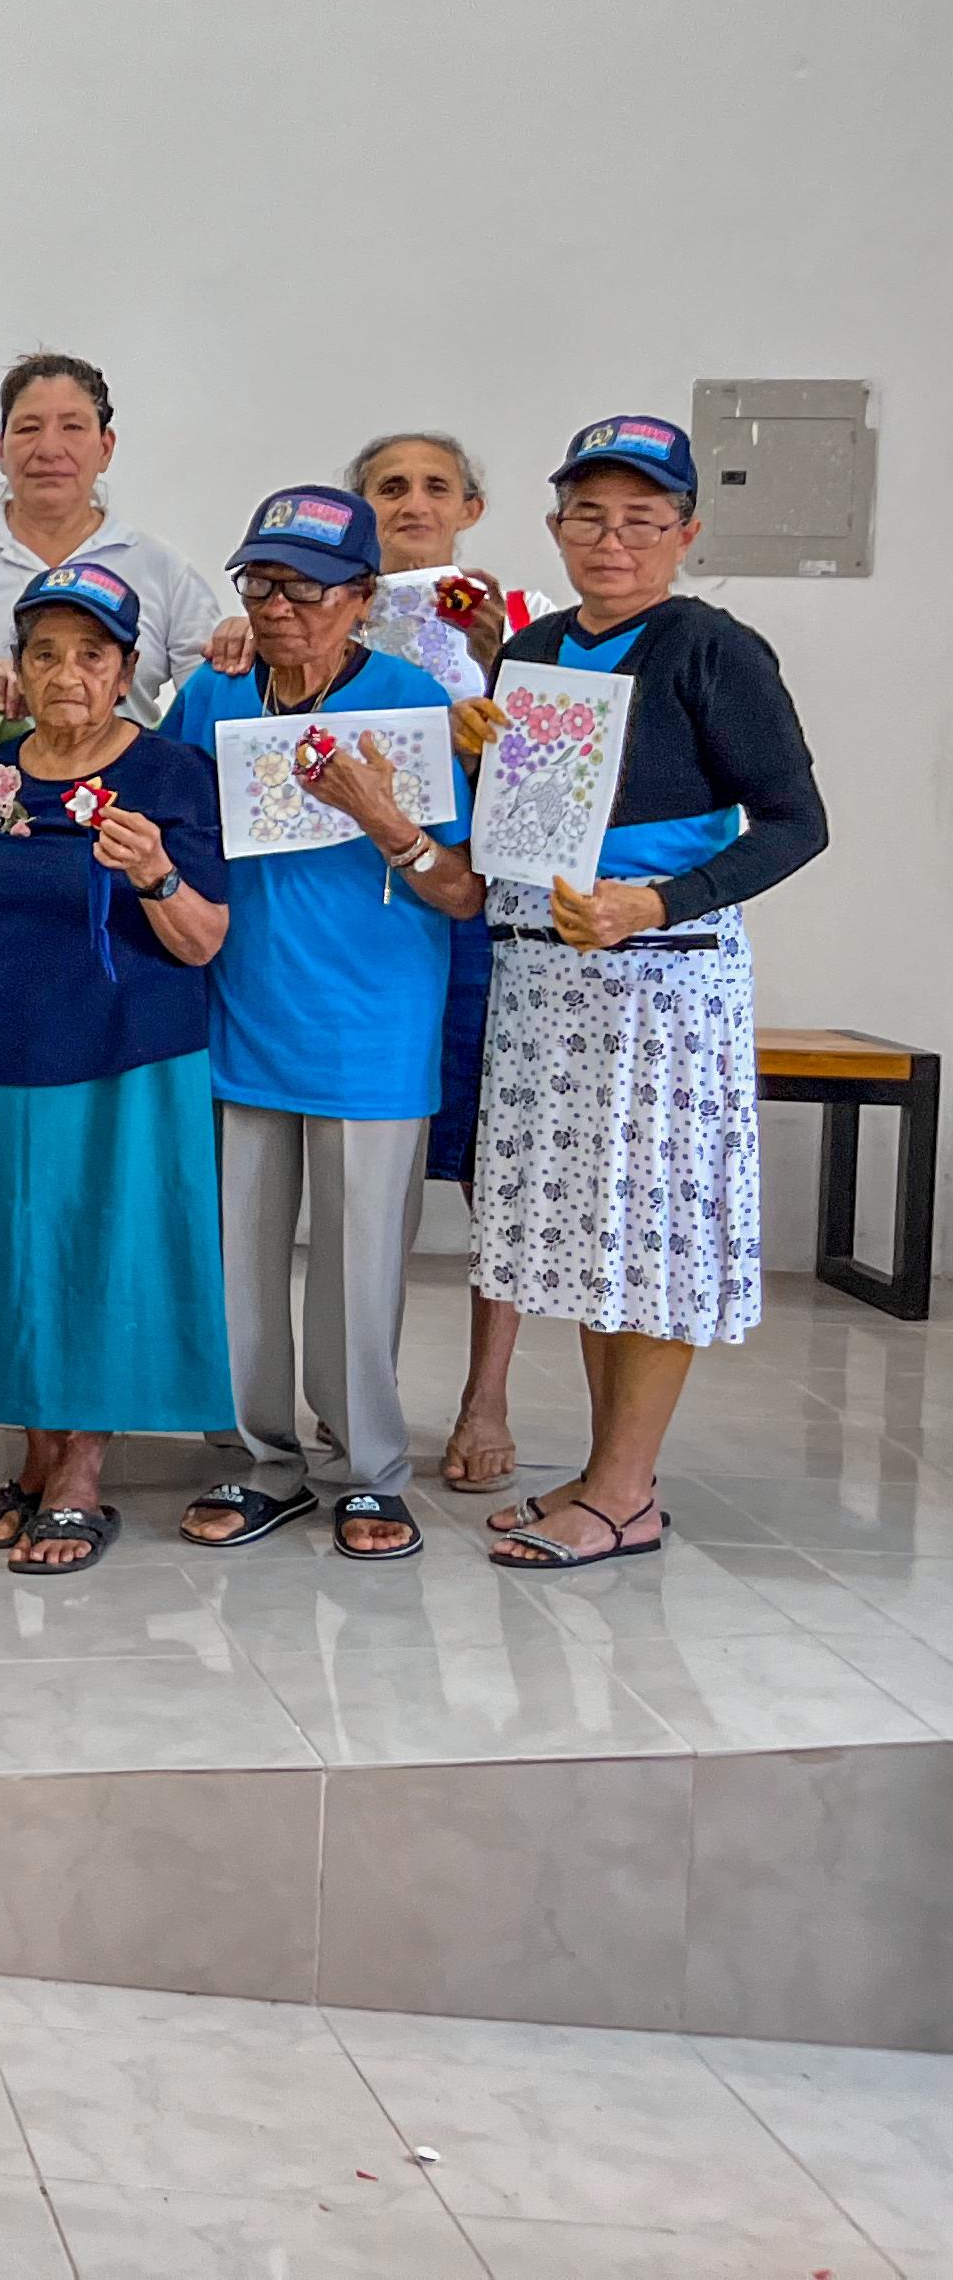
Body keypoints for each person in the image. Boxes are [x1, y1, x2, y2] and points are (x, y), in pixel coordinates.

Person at [459, 415, 827, 1570]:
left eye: (641, 520)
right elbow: (537, 808)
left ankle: (622, 1496)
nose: (611, 540)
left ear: (686, 534)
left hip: (661, 986)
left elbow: (797, 825)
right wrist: (478, 751)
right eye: (588, 516)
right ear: (556, 526)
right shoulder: (536, 649)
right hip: (545, 979)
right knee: (593, 1233)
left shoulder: (714, 649)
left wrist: (658, 903)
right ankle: (608, 1471)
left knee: (652, 1236)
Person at [166, 491, 484, 1564]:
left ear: (361, 599)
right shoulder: (213, 692)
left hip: (371, 1028)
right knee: (238, 1264)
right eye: (260, 584)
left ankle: (367, 1471)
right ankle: (258, 1461)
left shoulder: (410, 702)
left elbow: (463, 892)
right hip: (237, 1014)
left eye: (305, 588)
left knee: (360, 1270)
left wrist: (384, 818)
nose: (278, 608)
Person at [0, 563, 234, 1575]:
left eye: (92, 655)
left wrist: (154, 873)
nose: (68, 673)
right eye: (47, 653)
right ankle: (34, 1454)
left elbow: (203, 940)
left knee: (103, 1254)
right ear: (19, 666)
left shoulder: (171, 773)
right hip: (2, 1052)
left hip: (126, 1057)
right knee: (13, 1254)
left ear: (127, 668)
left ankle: (81, 1475)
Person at [348, 431, 565, 1496]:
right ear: (361, 508)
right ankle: (356, 1391)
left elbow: (560, 775)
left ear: (472, 507)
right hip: (368, 917)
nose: (414, 503)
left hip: (490, 920)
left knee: (495, 1163)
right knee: (364, 1168)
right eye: (390, 487)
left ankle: (487, 1395)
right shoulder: (322, 618)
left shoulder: (532, 624)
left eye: (437, 486)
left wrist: (497, 661)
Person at [0, 353, 224, 722]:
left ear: (105, 448)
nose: (49, 449)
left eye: (72, 427)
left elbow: (212, 705)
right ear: (0, 449)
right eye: (28, 429)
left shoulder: (163, 570)